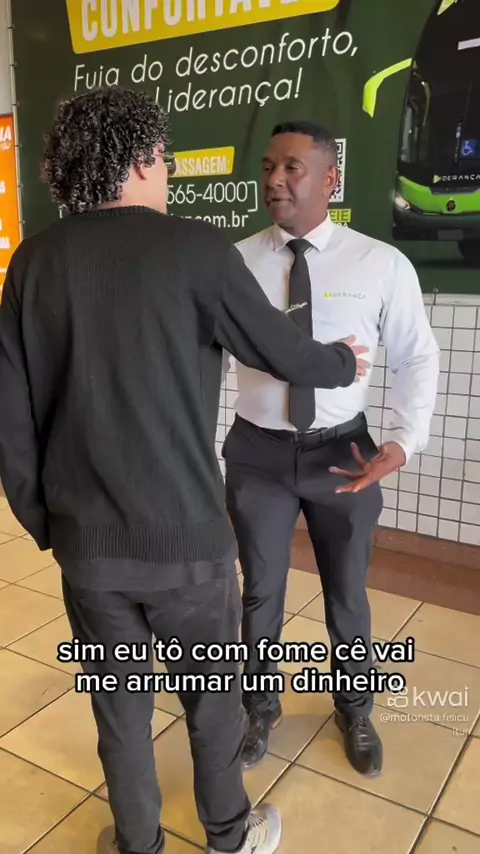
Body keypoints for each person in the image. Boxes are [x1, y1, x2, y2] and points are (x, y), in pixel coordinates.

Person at [0, 91, 370, 854]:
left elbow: (12, 414)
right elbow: (283, 351)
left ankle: (136, 843)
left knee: (121, 711)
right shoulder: (198, 250)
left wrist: (47, 524)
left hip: (88, 547)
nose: (166, 171)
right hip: (189, 545)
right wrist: (342, 361)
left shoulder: (33, 261)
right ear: (139, 159)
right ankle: (229, 836)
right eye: (163, 159)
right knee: (211, 703)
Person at [222, 120, 440, 776]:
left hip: (343, 454)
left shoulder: (380, 263)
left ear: (330, 179)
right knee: (260, 591)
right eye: (268, 167)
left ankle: (355, 708)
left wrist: (404, 440)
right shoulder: (232, 263)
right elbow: (206, 359)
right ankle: (259, 708)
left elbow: (416, 356)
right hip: (257, 455)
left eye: (291, 167)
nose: (274, 180)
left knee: (347, 592)